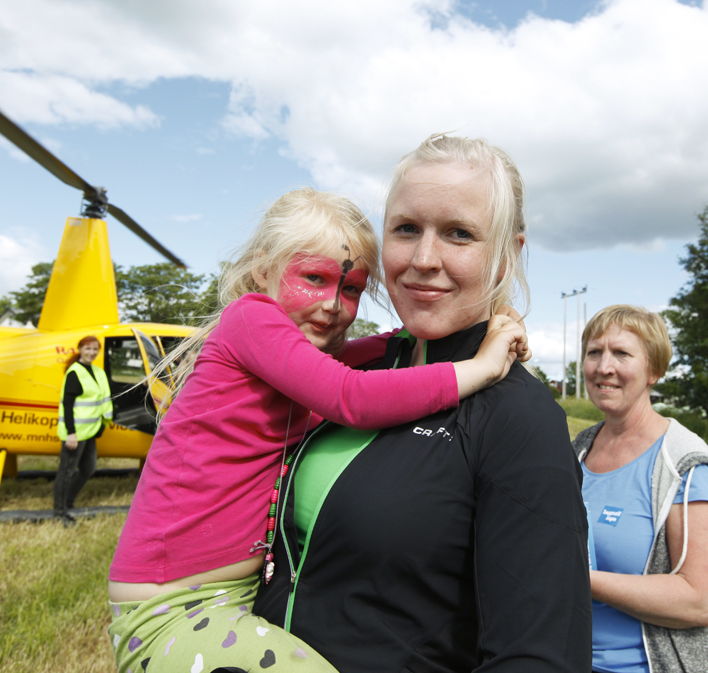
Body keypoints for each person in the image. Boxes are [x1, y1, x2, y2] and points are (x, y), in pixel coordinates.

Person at [105, 188, 528, 673]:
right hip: (172, 607)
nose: (332, 305)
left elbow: (375, 352)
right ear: (263, 270)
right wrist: (481, 366)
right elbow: (351, 395)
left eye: (350, 289)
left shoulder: (292, 357)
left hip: (231, 598)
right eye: (314, 278)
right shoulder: (251, 317)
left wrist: (475, 321)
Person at [254, 135, 592, 672]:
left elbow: (537, 655)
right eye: (406, 229)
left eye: (459, 234)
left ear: (507, 255)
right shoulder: (353, 369)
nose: (422, 260)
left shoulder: (518, 416)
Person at [572, 305, 708, 673]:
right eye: (594, 352)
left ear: (653, 371)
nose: (603, 367)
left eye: (622, 353)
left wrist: (577, 576)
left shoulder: (683, 462)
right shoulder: (577, 450)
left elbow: (700, 601)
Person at [55, 334, 112, 522]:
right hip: (75, 434)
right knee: (66, 472)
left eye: (95, 349)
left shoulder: (97, 371)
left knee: (89, 468)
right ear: (80, 350)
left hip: (90, 431)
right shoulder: (75, 372)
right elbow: (67, 405)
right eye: (88, 348)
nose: (92, 352)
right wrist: (71, 433)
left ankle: (68, 501)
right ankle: (59, 513)